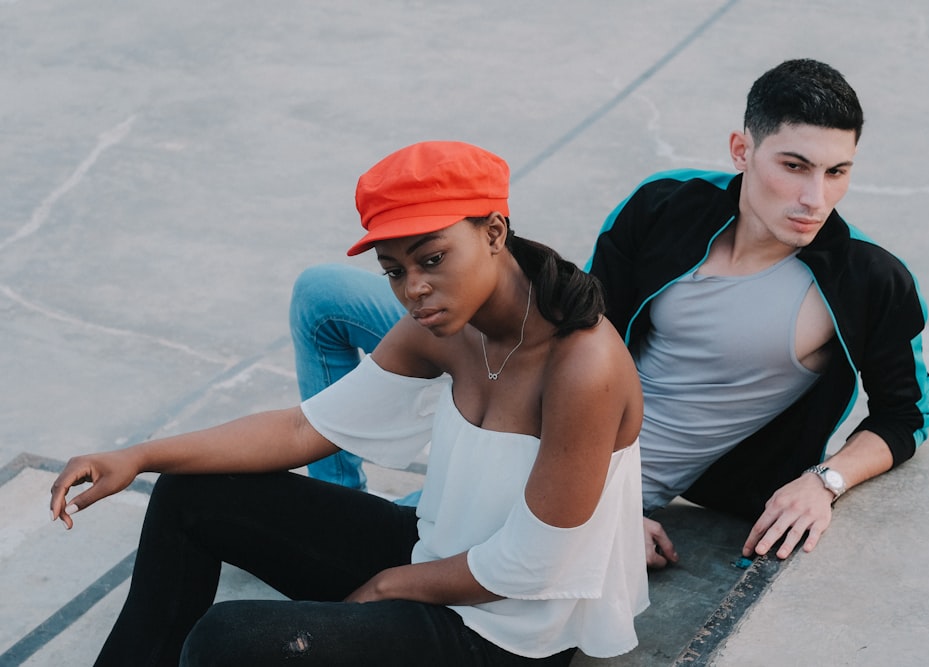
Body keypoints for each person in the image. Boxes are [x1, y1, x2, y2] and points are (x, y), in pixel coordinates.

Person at [289, 59, 929, 570]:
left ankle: (348, 515)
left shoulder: (864, 283)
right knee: (322, 293)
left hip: (565, 475)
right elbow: (583, 325)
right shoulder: (663, 206)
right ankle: (341, 491)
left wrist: (824, 480)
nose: (813, 198)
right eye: (793, 166)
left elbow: (907, 410)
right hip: (538, 384)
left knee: (355, 553)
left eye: (837, 172)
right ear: (742, 150)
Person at [49, 141, 649, 666]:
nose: (413, 288)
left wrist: (392, 586)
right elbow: (301, 429)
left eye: (432, 259)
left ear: (493, 232)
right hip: (436, 551)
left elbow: (532, 567)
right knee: (190, 491)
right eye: (394, 270)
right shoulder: (441, 326)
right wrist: (138, 455)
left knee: (227, 640)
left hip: (510, 633)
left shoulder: (582, 364)